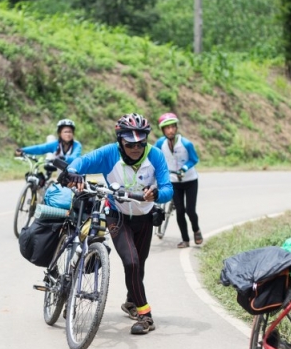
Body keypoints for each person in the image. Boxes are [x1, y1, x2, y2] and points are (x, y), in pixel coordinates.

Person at [65, 114, 174, 335]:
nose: (136, 148)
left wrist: (157, 195)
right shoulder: (109, 153)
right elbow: (80, 162)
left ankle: (131, 301)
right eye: (129, 144)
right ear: (120, 141)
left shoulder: (155, 155)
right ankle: (145, 315)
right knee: (131, 261)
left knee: (139, 265)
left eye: (140, 143)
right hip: (117, 215)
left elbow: (168, 189)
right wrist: (73, 173)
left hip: (145, 216)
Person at [154, 112, 203, 248]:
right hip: (173, 182)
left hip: (190, 180)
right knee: (180, 211)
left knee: (190, 210)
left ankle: (196, 230)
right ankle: (185, 239)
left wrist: (184, 168)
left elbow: (194, 159)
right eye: (167, 128)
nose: (170, 130)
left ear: (176, 127)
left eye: (172, 127)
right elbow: (153, 157)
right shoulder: (160, 144)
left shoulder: (186, 143)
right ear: (163, 130)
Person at [15, 119, 83, 162]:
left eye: (70, 132)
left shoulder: (77, 145)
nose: (68, 134)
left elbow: (75, 157)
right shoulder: (55, 144)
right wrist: (23, 150)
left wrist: (64, 158)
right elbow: (40, 148)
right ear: (60, 133)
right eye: (65, 132)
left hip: (75, 173)